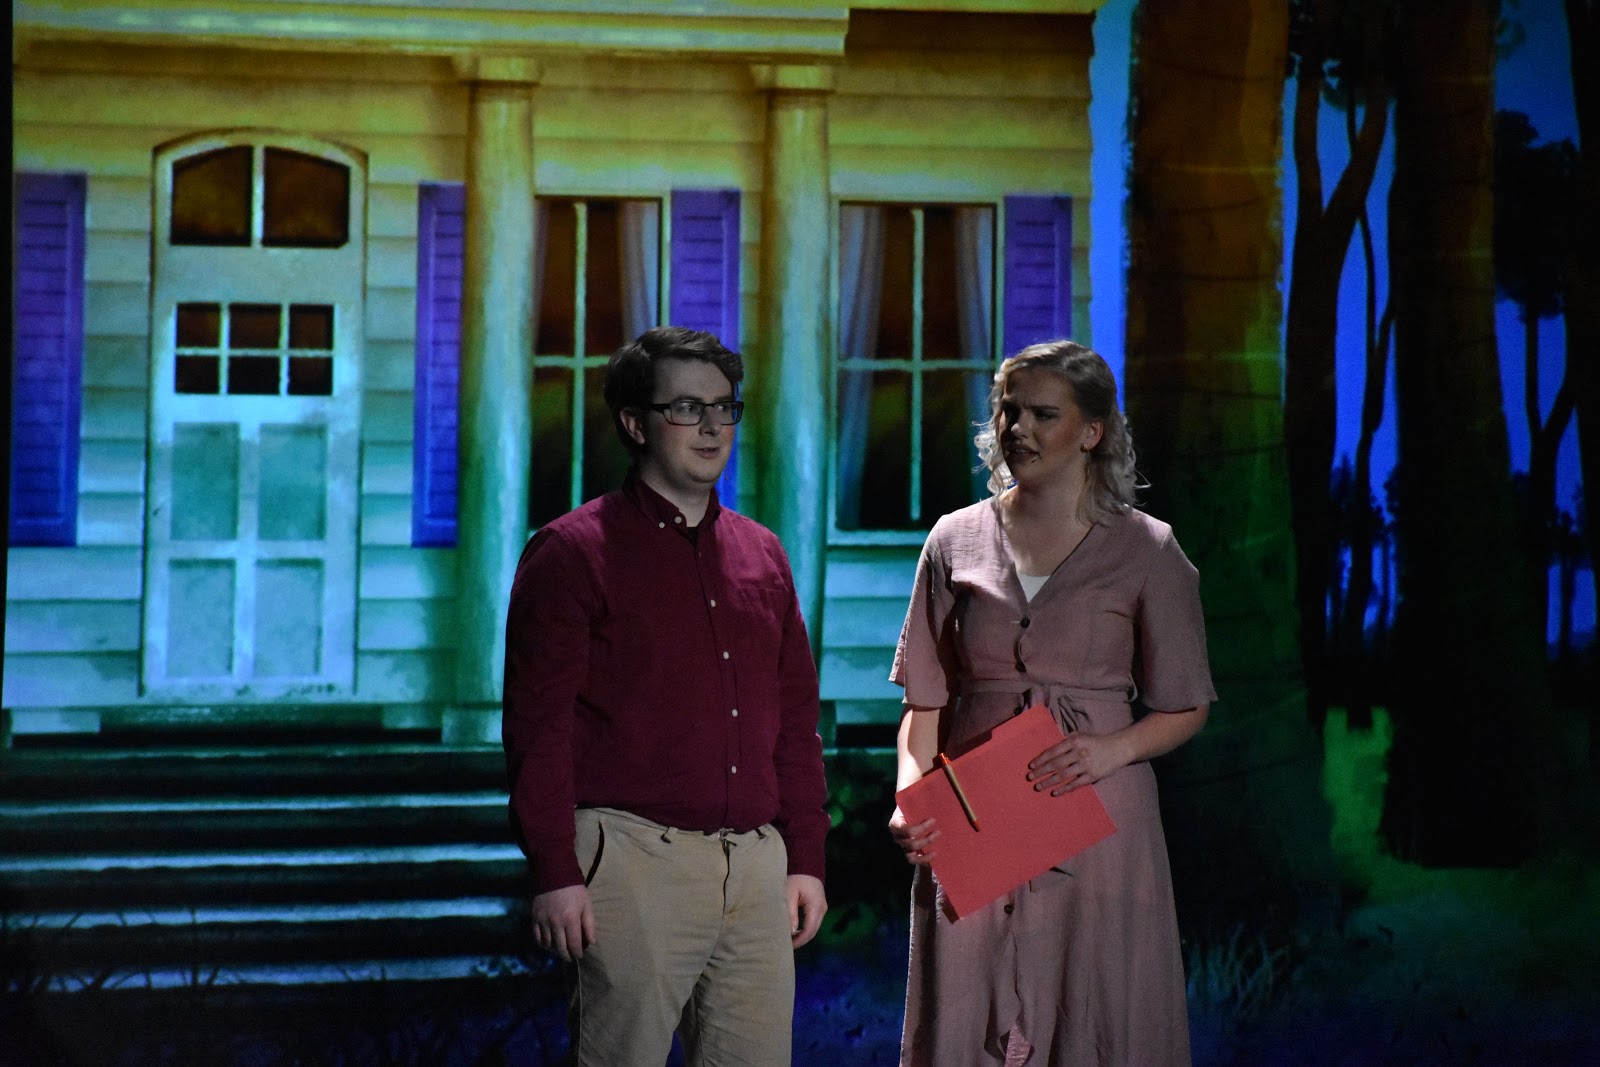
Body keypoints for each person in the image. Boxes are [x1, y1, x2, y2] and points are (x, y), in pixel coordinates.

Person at [502, 325, 830, 1066]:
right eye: (686, 408)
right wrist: (555, 870)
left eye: (724, 407)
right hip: (631, 859)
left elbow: (794, 722)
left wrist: (805, 856)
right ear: (634, 423)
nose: (712, 427)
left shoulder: (761, 553)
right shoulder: (573, 552)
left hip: (754, 866)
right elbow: (538, 727)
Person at [887, 339, 1215, 1066]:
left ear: (1092, 431)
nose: (1019, 429)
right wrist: (911, 795)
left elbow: (1187, 703)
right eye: (1010, 411)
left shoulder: (1148, 550)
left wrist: (1111, 749)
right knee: (965, 1005)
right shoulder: (954, 539)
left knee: (1094, 1005)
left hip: (1095, 812)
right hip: (974, 810)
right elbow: (925, 699)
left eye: (1044, 414)